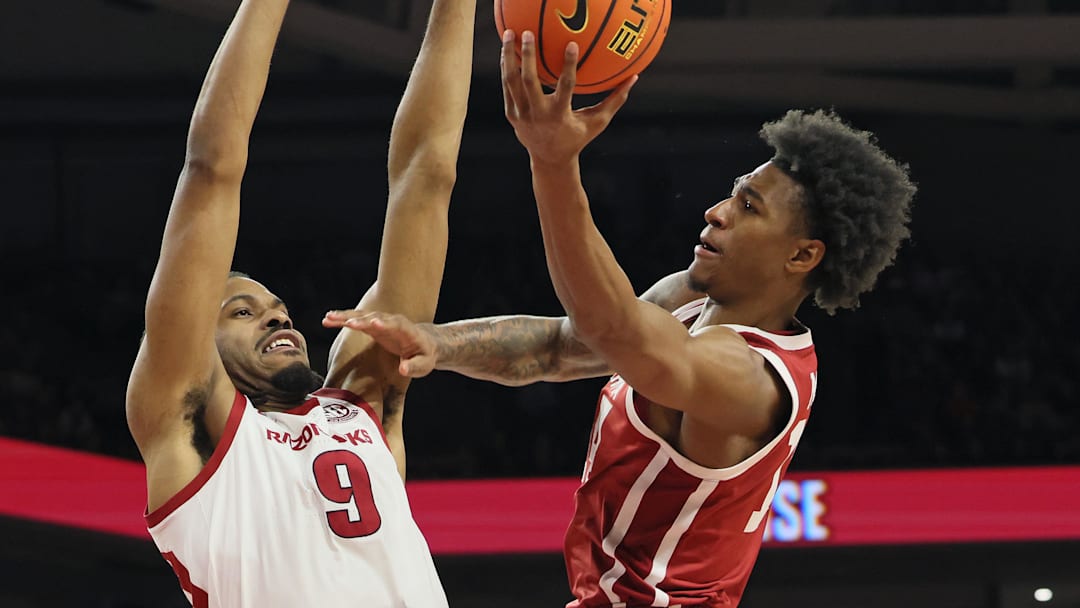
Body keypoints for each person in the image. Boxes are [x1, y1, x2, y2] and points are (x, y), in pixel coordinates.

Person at [324, 31, 916, 607]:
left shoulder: (752, 378)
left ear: (802, 255)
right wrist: (436, 342)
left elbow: (614, 329)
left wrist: (554, 163)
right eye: (733, 194)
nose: (715, 212)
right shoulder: (688, 301)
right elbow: (562, 346)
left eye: (748, 207)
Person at [124, 0, 475, 604]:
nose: (276, 315)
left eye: (277, 308)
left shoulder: (363, 398)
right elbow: (211, 170)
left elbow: (426, 178)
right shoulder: (193, 432)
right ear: (195, 343)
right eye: (242, 311)